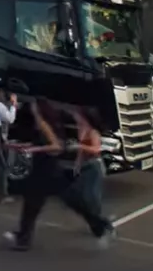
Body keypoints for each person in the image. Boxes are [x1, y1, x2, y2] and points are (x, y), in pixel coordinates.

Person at [4, 98, 65, 252]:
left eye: (33, 106)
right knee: (30, 205)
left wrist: (33, 150)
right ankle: (23, 235)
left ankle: (24, 239)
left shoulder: (43, 124)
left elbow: (56, 147)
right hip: (39, 169)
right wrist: (17, 146)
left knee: (32, 205)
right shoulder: (38, 125)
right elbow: (37, 143)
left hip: (45, 170)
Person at [61, 106, 115, 247]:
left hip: (94, 166)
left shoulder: (93, 132)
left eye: (78, 116)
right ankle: (98, 224)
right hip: (85, 167)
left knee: (91, 197)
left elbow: (96, 149)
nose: (75, 118)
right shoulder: (81, 130)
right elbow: (80, 152)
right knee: (79, 195)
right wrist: (77, 165)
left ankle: (103, 225)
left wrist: (79, 147)